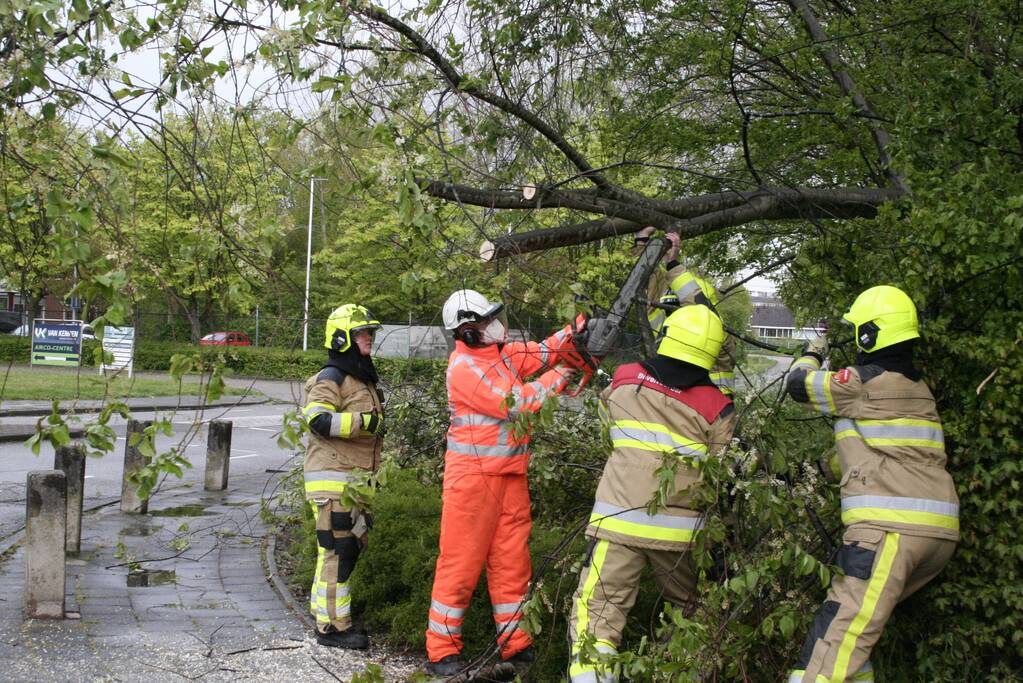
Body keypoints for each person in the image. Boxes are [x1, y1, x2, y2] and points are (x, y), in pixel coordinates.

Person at [784, 285, 959, 683]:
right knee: (857, 643)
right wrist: (802, 476)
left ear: (869, 335)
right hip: (936, 537)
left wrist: (813, 351)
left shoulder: (862, 384)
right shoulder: (919, 391)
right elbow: (872, 451)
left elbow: (798, 386)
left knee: (830, 644)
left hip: (889, 531)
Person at [568, 303, 737, 683]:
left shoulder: (625, 381)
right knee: (695, 615)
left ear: (667, 338)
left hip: (616, 522)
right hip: (681, 538)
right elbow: (722, 480)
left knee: (596, 618)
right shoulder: (719, 408)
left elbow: (605, 430)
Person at [425, 289, 581, 676]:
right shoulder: (464, 368)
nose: (498, 324)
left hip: (510, 475)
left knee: (512, 564)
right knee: (460, 563)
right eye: (487, 320)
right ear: (468, 331)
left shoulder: (503, 355)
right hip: (473, 481)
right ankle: (442, 648)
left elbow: (544, 350)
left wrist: (581, 330)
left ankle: (516, 643)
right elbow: (518, 404)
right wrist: (563, 373)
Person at [301, 304, 385, 649]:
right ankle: (333, 628)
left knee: (341, 550)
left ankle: (326, 613)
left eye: (370, 332)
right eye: (362, 332)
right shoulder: (330, 378)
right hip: (334, 481)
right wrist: (362, 423)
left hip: (352, 483)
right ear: (342, 338)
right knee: (339, 550)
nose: (369, 338)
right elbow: (317, 419)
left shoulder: (358, 379)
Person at [635, 227, 737, 395]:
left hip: (711, 406)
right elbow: (647, 278)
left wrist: (672, 264)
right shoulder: (660, 315)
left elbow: (698, 306)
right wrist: (642, 240)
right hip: (679, 404)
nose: (679, 316)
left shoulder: (718, 334)